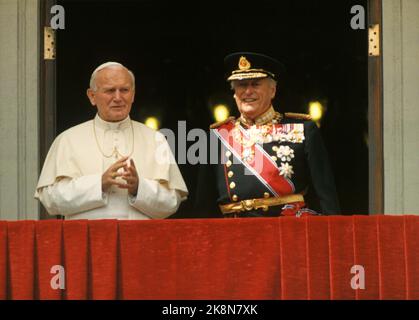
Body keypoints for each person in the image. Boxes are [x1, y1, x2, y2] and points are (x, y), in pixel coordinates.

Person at [35, 62, 188, 220]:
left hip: (140, 241)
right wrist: (98, 184)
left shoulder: (156, 139)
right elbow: (50, 200)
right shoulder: (67, 139)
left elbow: (172, 202)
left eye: (124, 90)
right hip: (85, 242)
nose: (118, 97)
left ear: (133, 94)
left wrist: (139, 188)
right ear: (92, 96)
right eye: (109, 90)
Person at [195, 52, 340, 218]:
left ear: (272, 90)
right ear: (234, 93)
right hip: (233, 235)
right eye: (241, 85)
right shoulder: (218, 136)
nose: (248, 91)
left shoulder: (303, 130)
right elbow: (203, 206)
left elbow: (325, 197)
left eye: (255, 84)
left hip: (285, 234)